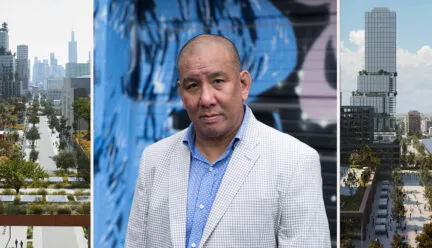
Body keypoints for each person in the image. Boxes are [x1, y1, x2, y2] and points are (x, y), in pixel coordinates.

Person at [125, 34, 330, 247]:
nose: (206, 99)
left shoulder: (295, 161)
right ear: (182, 93)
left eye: (218, 81)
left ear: (243, 85)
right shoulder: (154, 158)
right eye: (193, 85)